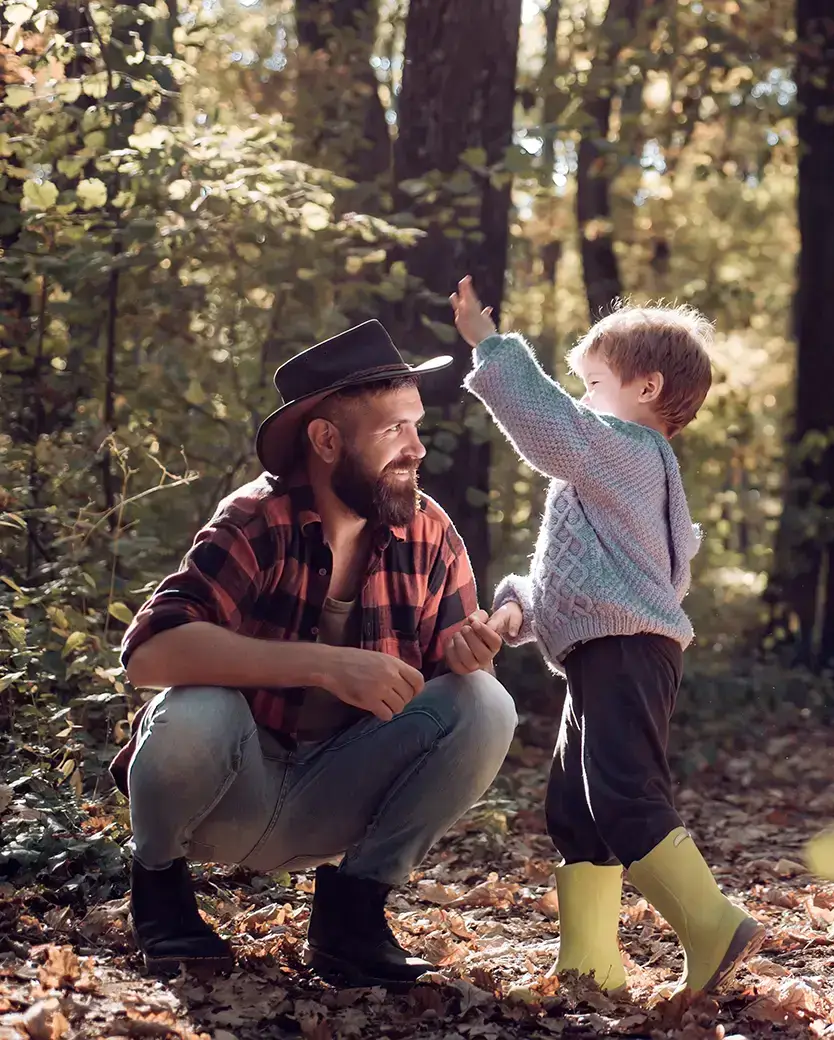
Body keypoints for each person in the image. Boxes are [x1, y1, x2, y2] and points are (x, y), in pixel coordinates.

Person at [110, 319, 518, 987]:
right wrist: (323, 663)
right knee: (194, 706)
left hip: (338, 792)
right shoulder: (255, 519)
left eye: (417, 427)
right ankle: (160, 897)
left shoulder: (431, 530)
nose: (417, 448)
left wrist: (471, 656)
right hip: (229, 792)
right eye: (394, 430)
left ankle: (351, 921)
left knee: (484, 704)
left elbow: (455, 693)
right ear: (326, 440)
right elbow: (149, 655)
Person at [451, 277, 764, 996]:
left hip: (624, 652)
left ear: (647, 387)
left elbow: (549, 430)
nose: (583, 398)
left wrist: (489, 347)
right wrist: (515, 609)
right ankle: (590, 967)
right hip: (606, 650)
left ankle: (713, 924)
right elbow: (584, 574)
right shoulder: (622, 471)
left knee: (623, 794)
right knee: (574, 808)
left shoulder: (624, 449)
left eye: (593, 383)